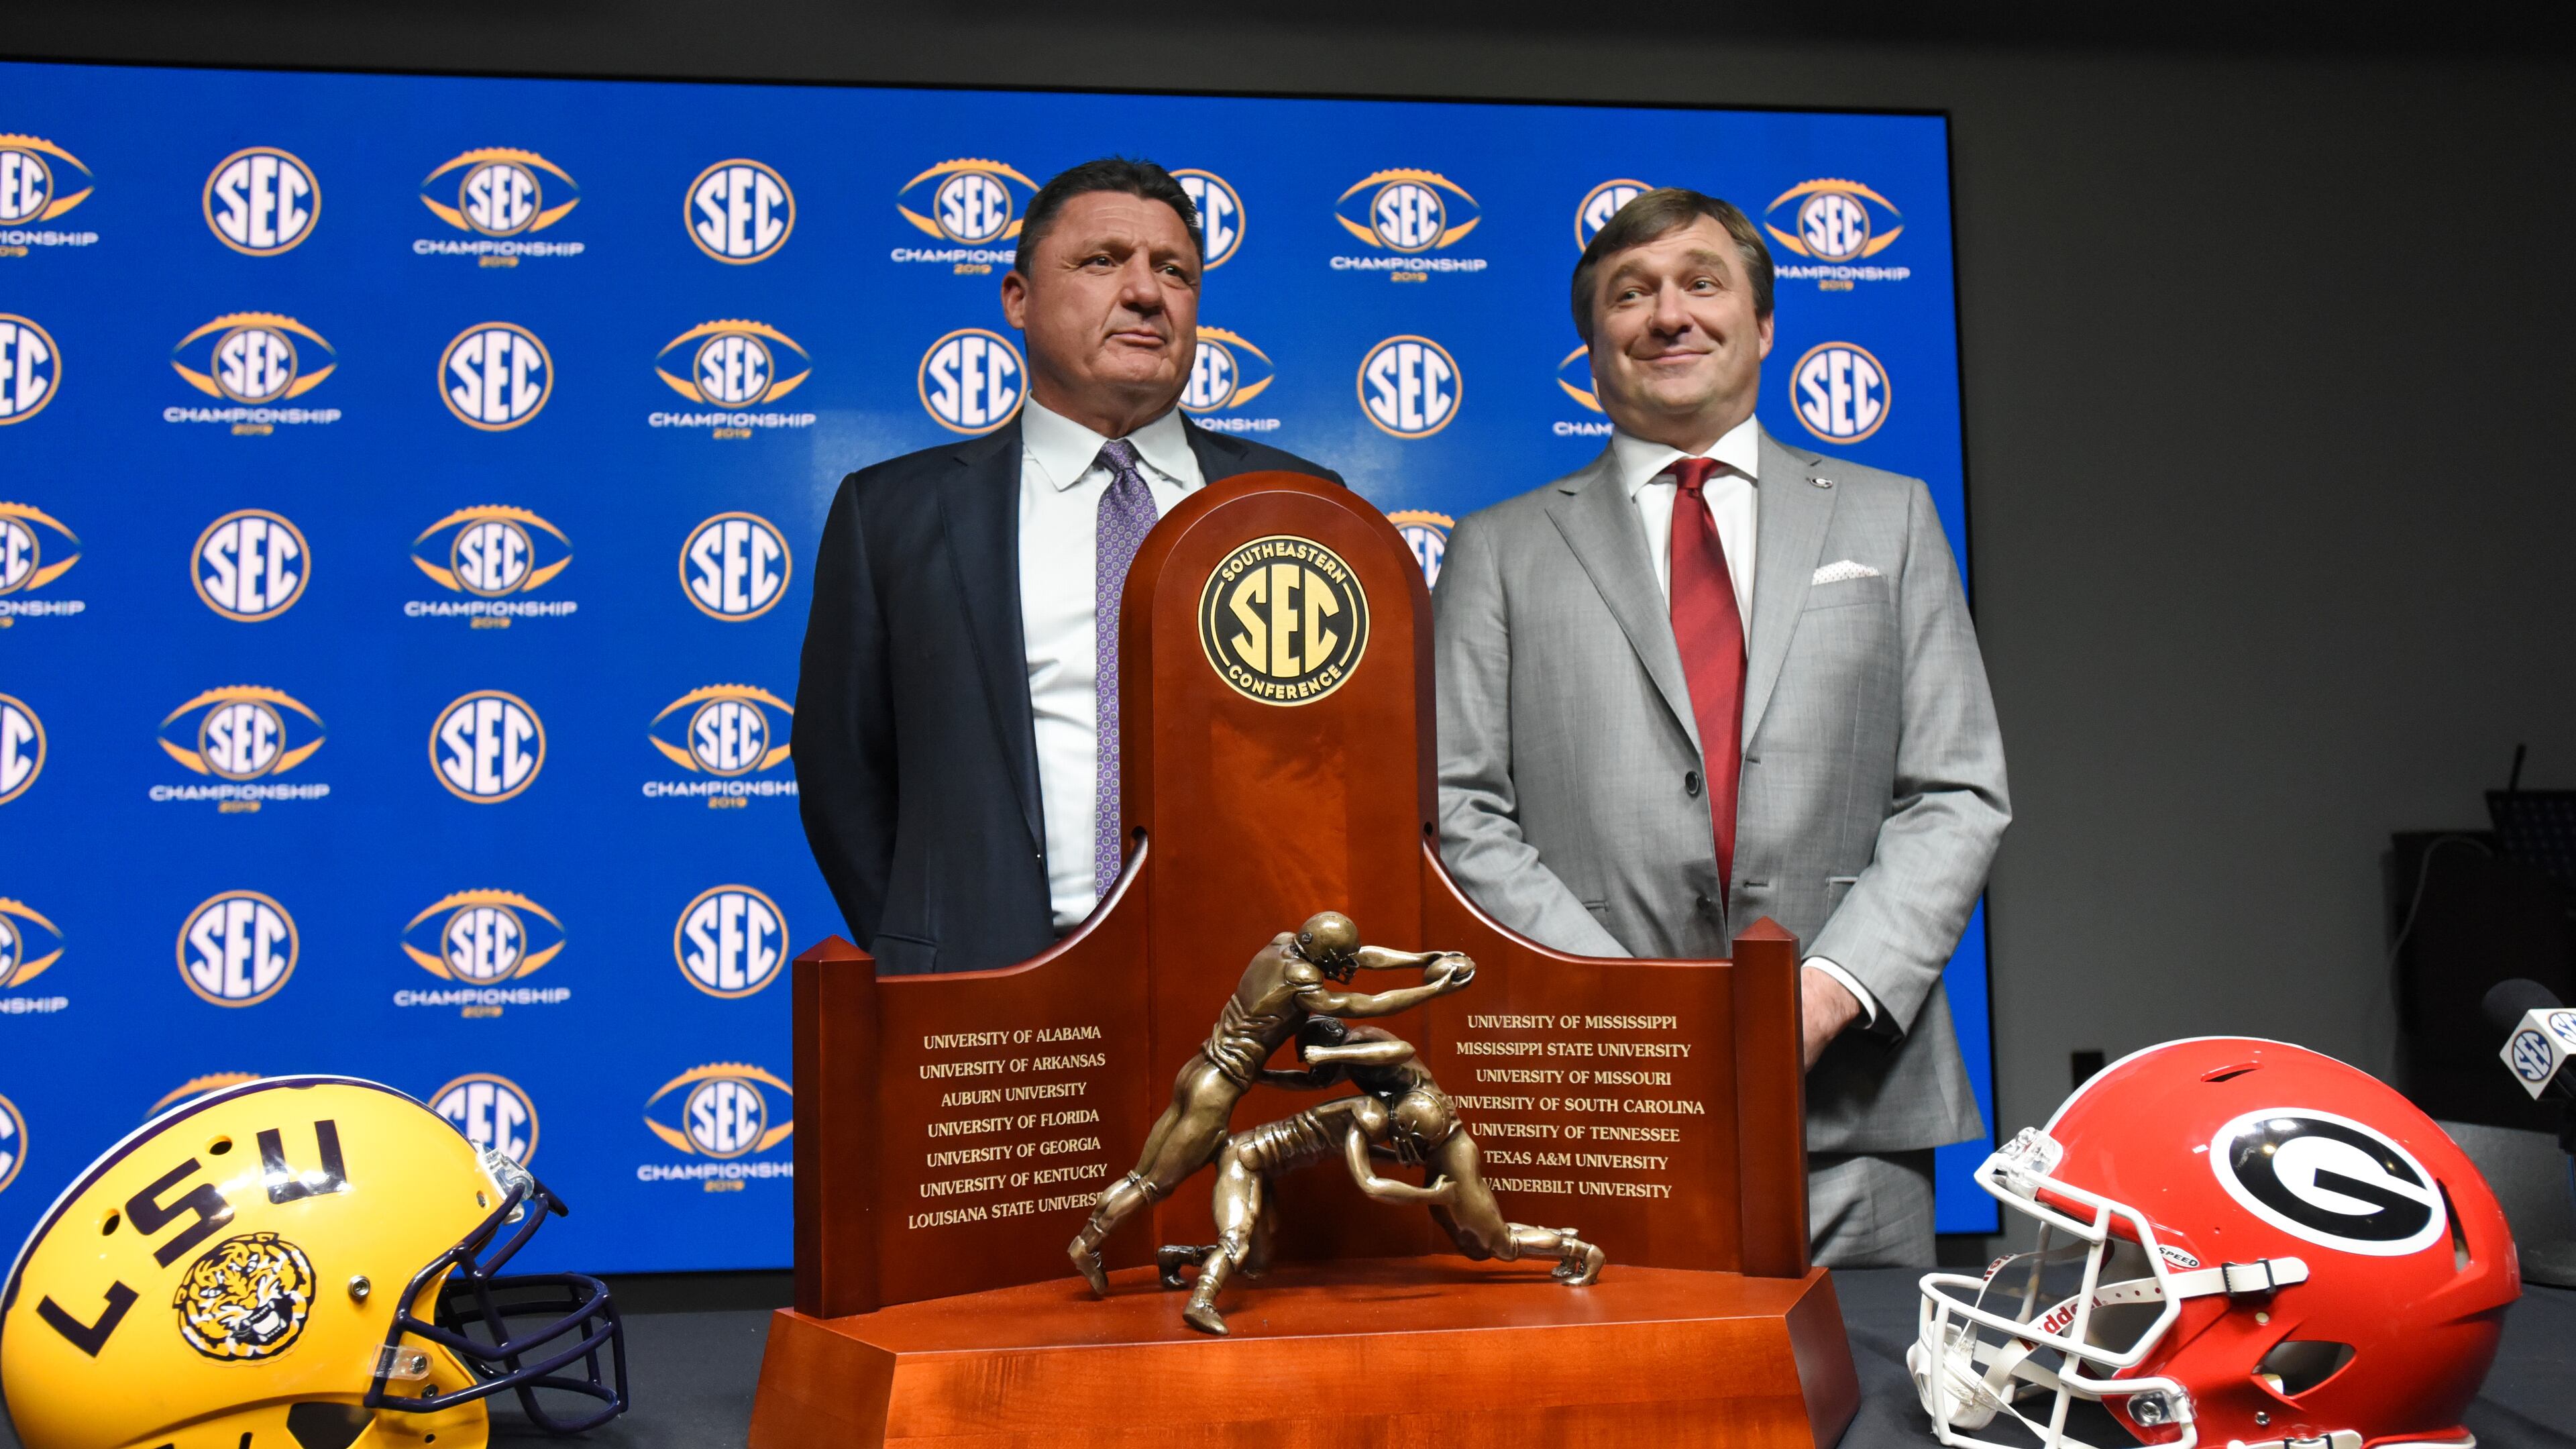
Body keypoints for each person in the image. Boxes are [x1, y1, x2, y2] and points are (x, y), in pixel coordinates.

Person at [1432, 188, 2009, 1268]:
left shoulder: (1892, 516)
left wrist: (1829, 993)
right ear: (1593, 342)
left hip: (1852, 1118)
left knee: (1874, 1419)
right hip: (1597, 1117)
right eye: (1629, 294)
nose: (1667, 315)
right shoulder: (1497, 549)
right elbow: (1460, 810)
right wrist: (1631, 1020)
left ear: (1765, 324)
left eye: (1702, 283)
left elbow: (1957, 791)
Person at [797, 158, 1344, 975]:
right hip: (989, 998)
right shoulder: (891, 514)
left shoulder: (1302, 505)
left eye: (1174, 272)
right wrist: (935, 946)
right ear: (1017, 299)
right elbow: (843, 770)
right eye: (1102, 261)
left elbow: (1343, 766)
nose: (1146, 293)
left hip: (1246, 991)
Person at [1065, 912, 1471, 1294]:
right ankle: (1087, 1244)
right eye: (1339, 960)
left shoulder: (1283, 943)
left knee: (1142, 1174)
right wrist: (1432, 989)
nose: (1347, 965)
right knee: (1156, 1183)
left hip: (1198, 1067)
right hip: (1219, 1087)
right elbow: (1356, 1004)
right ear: (1322, 956)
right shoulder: (1301, 978)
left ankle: (1090, 1242)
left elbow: (1360, 957)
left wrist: (1424, 958)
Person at [1157, 1020, 1605, 1336]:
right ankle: (1201, 1302)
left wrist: (1419, 1178)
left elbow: (1399, 1055)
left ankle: (1175, 1257)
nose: (1321, 1076)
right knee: (1241, 1247)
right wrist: (1431, 1190)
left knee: (1256, 1259)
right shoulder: (1366, 1112)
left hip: (1258, 1157)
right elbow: (1368, 1179)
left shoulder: (1369, 1063)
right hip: (1246, 1158)